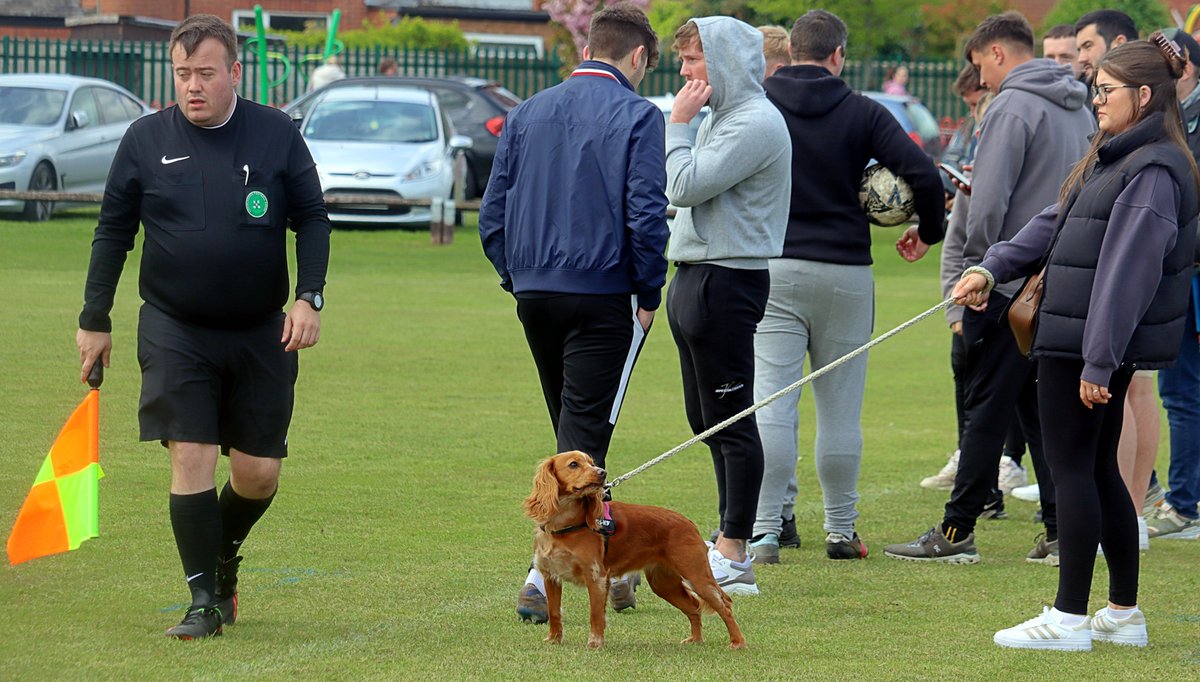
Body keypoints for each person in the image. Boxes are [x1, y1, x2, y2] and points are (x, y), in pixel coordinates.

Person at [75, 14, 331, 639]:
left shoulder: (276, 134)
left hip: (260, 331)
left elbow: (314, 218)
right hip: (174, 326)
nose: (192, 86)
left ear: (235, 73)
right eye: (183, 73)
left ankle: (223, 552)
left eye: (206, 73)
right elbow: (113, 231)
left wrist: (309, 299)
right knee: (192, 454)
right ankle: (202, 601)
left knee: (257, 473)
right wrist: (95, 318)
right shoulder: (142, 139)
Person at [956, 35, 1199, 650]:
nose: (1095, 99)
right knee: (1095, 471)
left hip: (1086, 342)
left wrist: (1100, 358)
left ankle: (1067, 620)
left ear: (1144, 96)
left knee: (1072, 472)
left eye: (1107, 90)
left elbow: (1127, 273)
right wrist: (992, 267)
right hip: (1074, 334)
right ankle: (1121, 613)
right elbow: (1053, 221)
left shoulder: (1154, 169)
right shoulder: (1114, 154)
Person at [478, 3, 669, 621]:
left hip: (536, 291)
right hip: (602, 293)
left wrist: (518, 277)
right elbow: (646, 213)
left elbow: (492, 214)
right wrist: (648, 292)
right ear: (638, 57)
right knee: (584, 437)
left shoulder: (527, 111)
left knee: (576, 430)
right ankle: (543, 575)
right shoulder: (639, 113)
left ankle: (608, 565)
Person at [885, 11, 1093, 564]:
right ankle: (1058, 528)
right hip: (1061, 279)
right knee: (1037, 409)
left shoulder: (1011, 105)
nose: (980, 81)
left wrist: (978, 270)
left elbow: (989, 199)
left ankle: (956, 532)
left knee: (983, 409)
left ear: (997, 53)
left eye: (980, 67)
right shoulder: (1079, 102)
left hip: (1004, 285)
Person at [748, 9, 943, 566]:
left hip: (774, 267)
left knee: (772, 405)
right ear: (838, 55)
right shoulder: (863, 110)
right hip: (846, 274)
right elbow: (925, 174)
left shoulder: (761, 102)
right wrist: (927, 231)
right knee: (840, 410)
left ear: (790, 53)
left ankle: (764, 531)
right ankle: (840, 530)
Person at [665, 16, 790, 595]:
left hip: (728, 280)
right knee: (705, 419)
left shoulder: (756, 122)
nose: (684, 72)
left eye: (693, 61)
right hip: (695, 274)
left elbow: (684, 186)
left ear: (724, 62)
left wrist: (677, 127)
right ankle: (726, 538)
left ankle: (736, 551)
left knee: (732, 419)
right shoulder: (722, 117)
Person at [1148, 27, 1200, 540]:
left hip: (1190, 273)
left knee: (1181, 392)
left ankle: (1184, 504)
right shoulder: (1176, 120)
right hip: (1182, 269)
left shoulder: (1187, 121)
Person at [1075, 9, 1137, 86]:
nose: (1081, 59)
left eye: (1088, 46)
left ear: (1119, 44)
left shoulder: (1153, 87)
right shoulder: (1080, 92)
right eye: (1079, 50)